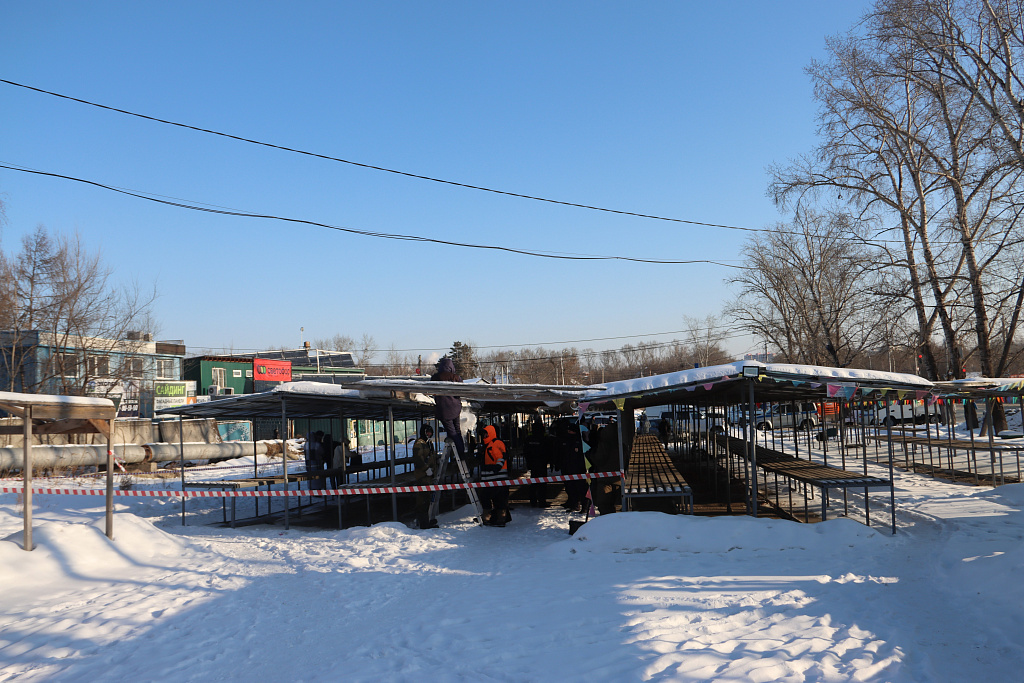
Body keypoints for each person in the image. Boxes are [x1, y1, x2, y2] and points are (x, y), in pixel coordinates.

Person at [430, 357, 467, 461]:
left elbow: (431, 391)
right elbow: (462, 391)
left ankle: (460, 454)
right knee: (457, 431)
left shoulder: (435, 378)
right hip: (455, 408)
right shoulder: (456, 377)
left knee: (452, 433)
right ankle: (462, 452)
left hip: (443, 410)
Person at [477, 424, 510, 526]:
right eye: (483, 435)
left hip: (498, 477)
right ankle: (491, 517)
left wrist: (497, 467)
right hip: (489, 478)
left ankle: (499, 519)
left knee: (497, 499)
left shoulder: (496, 443)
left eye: (486, 434)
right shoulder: (486, 445)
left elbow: (501, 456)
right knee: (487, 497)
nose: (484, 436)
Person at [412, 424, 440, 529]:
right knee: (422, 500)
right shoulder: (419, 444)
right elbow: (417, 459)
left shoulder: (428, 443)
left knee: (427, 498)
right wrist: (425, 469)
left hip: (429, 476)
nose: (430, 434)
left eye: (431, 432)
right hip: (422, 476)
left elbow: (431, 456)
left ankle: (427, 520)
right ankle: (423, 523)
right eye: (428, 432)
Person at [559, 421, 587, 512]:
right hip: (568, 468)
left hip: (579, 469)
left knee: (581, 488)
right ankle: (574, 504)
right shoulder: (566, 440)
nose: (568, 432)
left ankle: (584, 506)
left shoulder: (580, 441)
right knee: (571, 488)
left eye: (570, 431)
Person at [523, 420, 548, 507]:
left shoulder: (529, 439)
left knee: (533, 482)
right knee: (542, 483)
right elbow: (547, 452)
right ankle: (542, 501)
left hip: (533, 464)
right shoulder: (544, 439)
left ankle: (533, 501)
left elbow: (525, 452)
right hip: (542, 464)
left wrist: (528, 462)